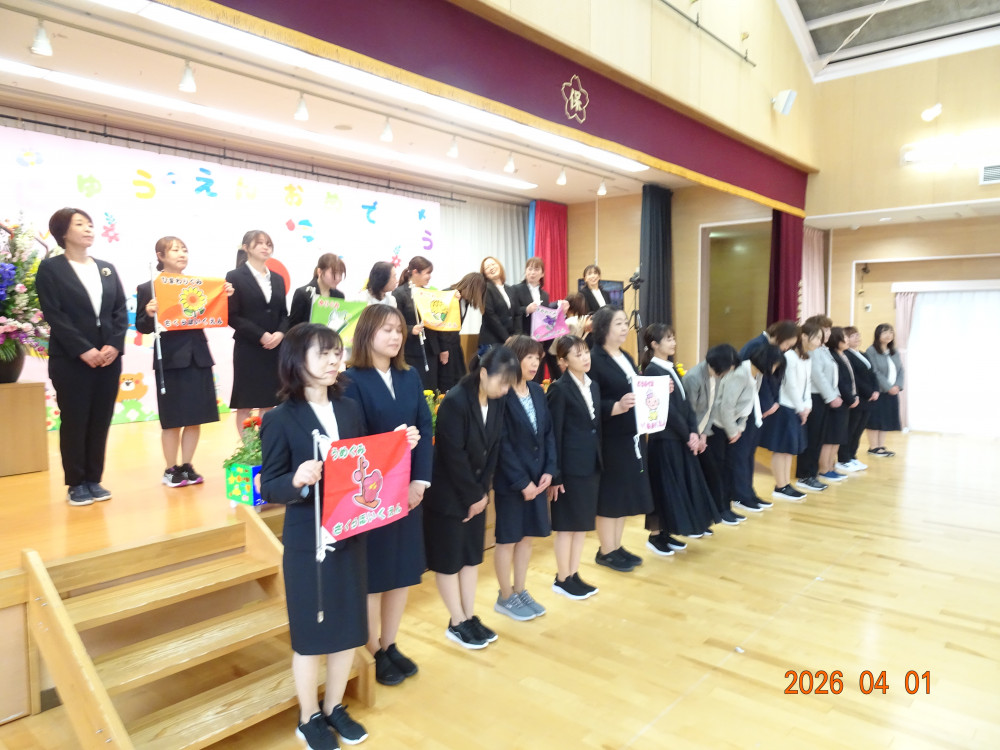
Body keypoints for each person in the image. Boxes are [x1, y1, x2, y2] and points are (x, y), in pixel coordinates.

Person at [260, 323, 390, 750]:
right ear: (297, 361)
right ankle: (308, 717)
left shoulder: (349, 409)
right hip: (307, 540)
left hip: (350, 531)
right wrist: (296, 480)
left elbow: (364, 464)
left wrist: (397, 446)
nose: (335, 360)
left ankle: (334, 706)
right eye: (324, 353)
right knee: (311, 634)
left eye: (337, 352)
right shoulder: (280, 418)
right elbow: (269, 486)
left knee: (348, 627)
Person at [342, 305, 431, 687]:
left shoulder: (409, 376)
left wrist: (419, 482)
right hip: (372, 494)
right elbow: (352, 441)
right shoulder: (350, 381)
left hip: (407, 490)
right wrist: (393, 443)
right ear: (367, 334)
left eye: (399, 330)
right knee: (375, 577)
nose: (395, 337)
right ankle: (373, 649)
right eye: (386, 330)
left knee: (401, 572)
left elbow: (424, 428)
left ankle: (390, 643)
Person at [423, 345, 519, 649]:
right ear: (483, 373)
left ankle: (468, 615)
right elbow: (453, 456)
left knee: (471, 558)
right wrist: (473, 497)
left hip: (476, 495)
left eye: (509, 384)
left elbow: (494, 448)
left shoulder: (497, 402)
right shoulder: (455, 402)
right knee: (449, 561)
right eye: (502, 382)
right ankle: (456, 621)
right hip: (449, 496)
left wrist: (483, 493)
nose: (505, 390)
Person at [36, 208, 127, 506]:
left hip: (108, 358)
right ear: (63, 232)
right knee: (75, 420)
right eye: (80, 224)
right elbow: (54, 314)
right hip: (71, 359)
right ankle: (76, 483)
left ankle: (93, 479)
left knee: (101, 419)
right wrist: (83, 349)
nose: (89, 229)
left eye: (90, 224)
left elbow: (119, 310)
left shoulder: (106, 268)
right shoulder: (51, 269)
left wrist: (114, 344)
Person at [135, 236, 231, 487]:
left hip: (198, 356)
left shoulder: (199, 286)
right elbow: (142, 326)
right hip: (169, 359)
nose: (181, 254)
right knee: (172, 419)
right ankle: (170, 469)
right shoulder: (149, 288)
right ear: (160, 256)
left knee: (195, 416)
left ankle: (187, 466)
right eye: (175, 250)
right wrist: (149, 312)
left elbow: (212, 310)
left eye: (184, 250)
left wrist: (224, 294)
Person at [492, 335, 557, 621]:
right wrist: (522, 483)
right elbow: (501, 444)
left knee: (526, 538)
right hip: (512, 483)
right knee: (508, 539)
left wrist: (549, 471)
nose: (535, 363)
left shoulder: (537, 391)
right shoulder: (501, 394)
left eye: (537, 358)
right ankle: (505, 595)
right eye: (528, 357)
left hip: (537, 479)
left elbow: (548, 434)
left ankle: (520, 589)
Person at [641, 324, 720, 553]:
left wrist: (693, 431)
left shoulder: (671, 367)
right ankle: (656, 536)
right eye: (668, 339)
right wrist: (688, 435)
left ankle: (666, 532)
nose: (673, 343)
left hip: (679, 437)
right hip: (665, 440)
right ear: (654, 344)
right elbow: (666, 410)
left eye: (673, 338)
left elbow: (685, 405)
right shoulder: (653, 371)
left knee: (675, 486)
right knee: (664, 486)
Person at [587, 306, 654, 572]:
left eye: (625, 322)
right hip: (611, 437)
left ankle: (615, 546)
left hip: (631, 434)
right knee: (610, 496)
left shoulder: (625, 355)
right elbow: (590, 400)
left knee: (623, 494)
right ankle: (605, 550)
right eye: (618, 323)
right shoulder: (594, 359)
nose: (625, 327)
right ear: (603, 327)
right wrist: (615, 406)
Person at [546, 335, 602, 599]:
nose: (585, 357)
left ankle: (573, 573)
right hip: (568, 469)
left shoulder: (593, 385)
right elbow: (554, 434)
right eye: (578, 354)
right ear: (563, 361)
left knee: (581, 525)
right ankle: (562, 577)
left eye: (586, 352)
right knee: (566, 526)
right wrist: (555, 475)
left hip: (590, 464)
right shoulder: (559, 389)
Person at [225, 230, 289, 433]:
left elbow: (284, 313)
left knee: (269, 402)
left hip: (274, 349)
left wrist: (281, 333)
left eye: (268, 244)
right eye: (259, 243)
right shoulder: (234, 276)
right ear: (246, 248)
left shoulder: (277, 279)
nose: (265, 247)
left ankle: (265, 444)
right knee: (245, 403)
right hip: (248, 348)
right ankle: (248, 446)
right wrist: (260, 335)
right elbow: (232, 316)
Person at [716, 344, 785, 513]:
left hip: (743, 421)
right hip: (726, 424)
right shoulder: (740, 374)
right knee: (738, 459)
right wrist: (733, 431)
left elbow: (749, 402)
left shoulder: (756, 374)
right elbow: (726, 406)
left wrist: (742, 425)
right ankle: (740, 496)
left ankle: (748, 492)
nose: (774, 369)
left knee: (747, 457)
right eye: (774, 365)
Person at [761, 322, 823, 501]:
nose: (819, 342)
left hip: (798, 408)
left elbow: (807, 385)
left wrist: (807, 406)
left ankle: (786, 484)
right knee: (781, 448)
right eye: (817, 337)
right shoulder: (789, 356)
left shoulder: (806, 358)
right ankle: (780, 486)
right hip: (786, 407)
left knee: (790, 449)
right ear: (804, 337)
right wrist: (801, 408)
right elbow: (790, 385)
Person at [684, 344, 743, 526]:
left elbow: (711, 409)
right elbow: (689, 413)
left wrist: (704, 435)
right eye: (728, 369)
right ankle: (703, 516)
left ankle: (714, 513)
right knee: (704, 475)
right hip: (689, 436)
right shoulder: (693, 378)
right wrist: (696, 435)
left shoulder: (716, 377)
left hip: (703, 433)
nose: (728, 373)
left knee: (715, 472)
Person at [795, 316, 841, 492]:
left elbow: (831, 376)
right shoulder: (813, 351)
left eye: (828, 330)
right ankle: (805, 475)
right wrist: (831, 396)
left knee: (818, 438)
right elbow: (818, 376)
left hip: (822, 397)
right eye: (824, 329)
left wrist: (833, 394)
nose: (828, 333)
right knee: (812, 438)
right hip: (815, 396)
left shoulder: (823, 349)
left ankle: (812, 474)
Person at [509, 257, 565, 381]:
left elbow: (546, 321)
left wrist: (544, 348)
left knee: (537, 378)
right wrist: (526, 310)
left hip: (539, 343)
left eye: (536, 269)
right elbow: (511, 312)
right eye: (529, 269)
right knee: (521, 376)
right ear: (525, 271)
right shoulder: (516, 289)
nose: (532, 272)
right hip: (522, 340)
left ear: (542, 273)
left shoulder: (545, 295)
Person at [818, 327, 859, 483]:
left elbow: (850, 380)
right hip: (837, 401)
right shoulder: (833, 355)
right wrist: (850, 398)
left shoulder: (843, 355)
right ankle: (824, 469)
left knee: (838, 438)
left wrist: (853, 396)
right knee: (830, 438)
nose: (847, 339)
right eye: (844, 337)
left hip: (844, 401)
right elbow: (840, 382)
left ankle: (831, 467)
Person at [836, 326, 879, 471]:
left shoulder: (863, 354)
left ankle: (852, 456)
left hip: (869, 398)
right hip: (858, 397)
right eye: (853, 336)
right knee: (851, 429)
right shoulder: (846, 355)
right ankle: (844, 458)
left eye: (858, 335)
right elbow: (855, 378)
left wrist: (876, 389)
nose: (857, 338)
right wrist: (869, 392)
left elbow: (872, 373)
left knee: (859, 430)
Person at [392, 256, 437, 390]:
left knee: (432, 388)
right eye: (427, 273)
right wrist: (411, 329)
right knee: (414, 387)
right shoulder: (399, 293)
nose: (430, 276)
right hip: (411, 351)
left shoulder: (429, 293)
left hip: (431, 350)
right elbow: (395, 323)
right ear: (415, 272)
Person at [436, 272, 486, 393]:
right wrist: (443, 349)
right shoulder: (448, 294)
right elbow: (440, 325)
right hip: (444, 345)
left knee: (460, 378)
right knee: (446, 381)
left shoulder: (465, 301)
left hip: (455, 344)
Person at [865, 323, 904, 457]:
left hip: (893, 391)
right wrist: (888, 387)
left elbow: (901, 370)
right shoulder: (871, 351)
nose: (889, 335)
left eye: (891, 332)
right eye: (885, 332)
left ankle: (880, 446)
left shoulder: (894, 351)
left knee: (886, 419)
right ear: (878, 335)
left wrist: (898, 386)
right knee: (875, 419)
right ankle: (873, 447)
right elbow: (875, 371)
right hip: (879, 391)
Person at [288, 253, 346, 327]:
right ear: (320, 272)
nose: (338, 278)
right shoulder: (303, 294)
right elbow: (293, 326)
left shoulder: (339, 296)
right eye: (333, 273)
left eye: (340, 274)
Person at [478, 256, 515, 353]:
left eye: (493, 264)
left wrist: (516, 338)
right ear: (484, 273)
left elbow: (515, 313)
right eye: (487, 267)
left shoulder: (509, 289)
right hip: (492, 341)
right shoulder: (484, 288)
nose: (491, 267)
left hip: (510, 340)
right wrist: (506, 337)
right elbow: (490, 316)